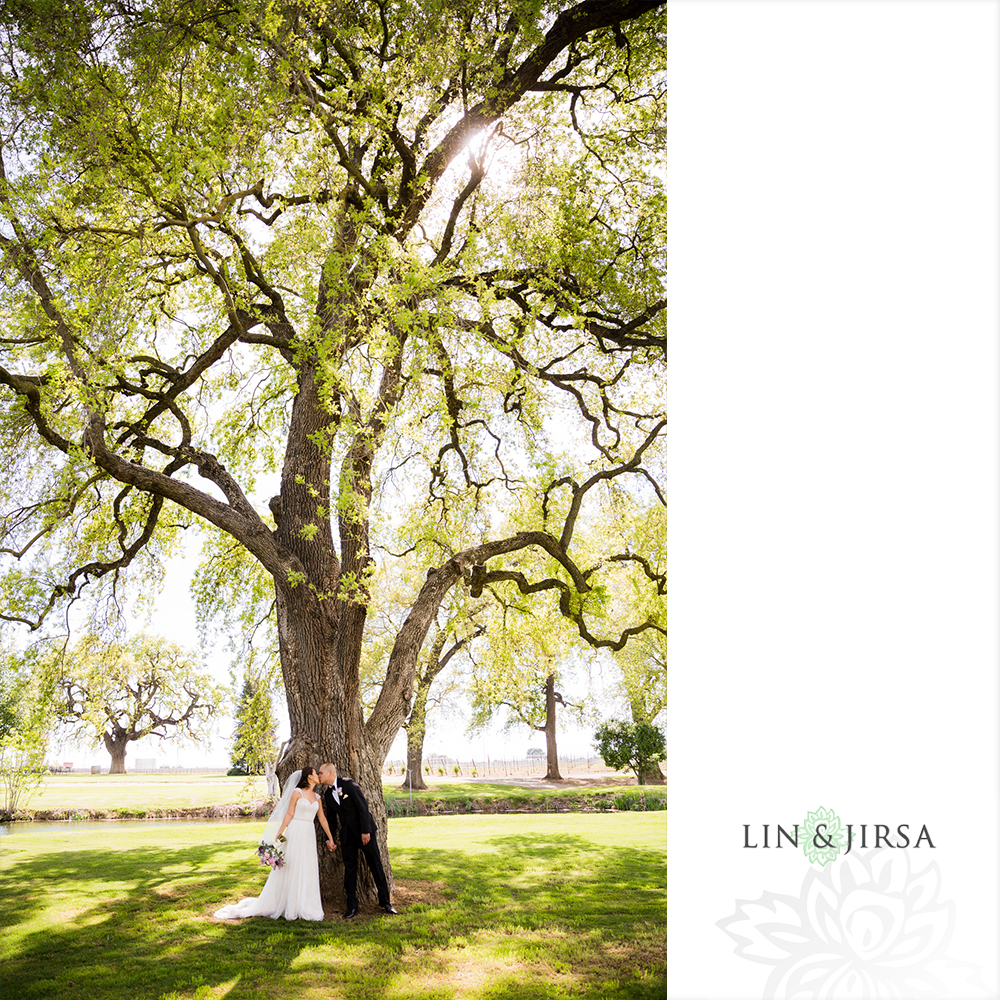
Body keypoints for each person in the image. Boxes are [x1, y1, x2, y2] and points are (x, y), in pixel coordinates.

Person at [214, 766, 335, 921]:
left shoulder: (317, 797)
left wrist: (330, 838)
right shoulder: (296, 793)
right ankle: (289, 904)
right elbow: (289, 813)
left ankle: (305, 904)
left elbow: (322, 819)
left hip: (309, 833)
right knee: (292, 866)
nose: (318, 775)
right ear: (309, 777)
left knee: (307, 866)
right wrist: (279, 833)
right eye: (315, 773)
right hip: (295, 831)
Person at [318, 761, 398, 918]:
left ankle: (386, 903)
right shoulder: (327, 795)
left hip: (365, 833)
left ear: (330, 773)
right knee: (350, 871)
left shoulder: (348, 784)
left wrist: (366, 831)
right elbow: (332, 820)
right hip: (347, 837)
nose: (319, 775)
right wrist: (330, 838)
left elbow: (363, 807)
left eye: (320, 773)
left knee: (376, 866)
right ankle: (352, 907)